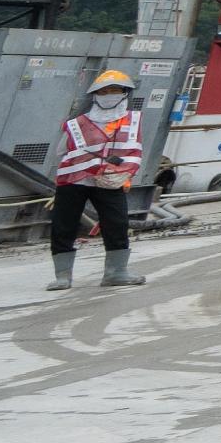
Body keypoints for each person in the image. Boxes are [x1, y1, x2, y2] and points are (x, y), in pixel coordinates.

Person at [47, 66, 147, 290]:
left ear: (124, 93)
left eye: (115, 90)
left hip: (110, 180)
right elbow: (60, 151)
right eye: (104, 91)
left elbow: (134, 149)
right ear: (95, 95)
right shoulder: (76, 123)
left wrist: (124, 173)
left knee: (117, 223)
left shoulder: (132, 120)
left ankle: (116, 272)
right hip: (74, 180)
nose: (109, 95)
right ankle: (62, 276)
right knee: (64, 224)